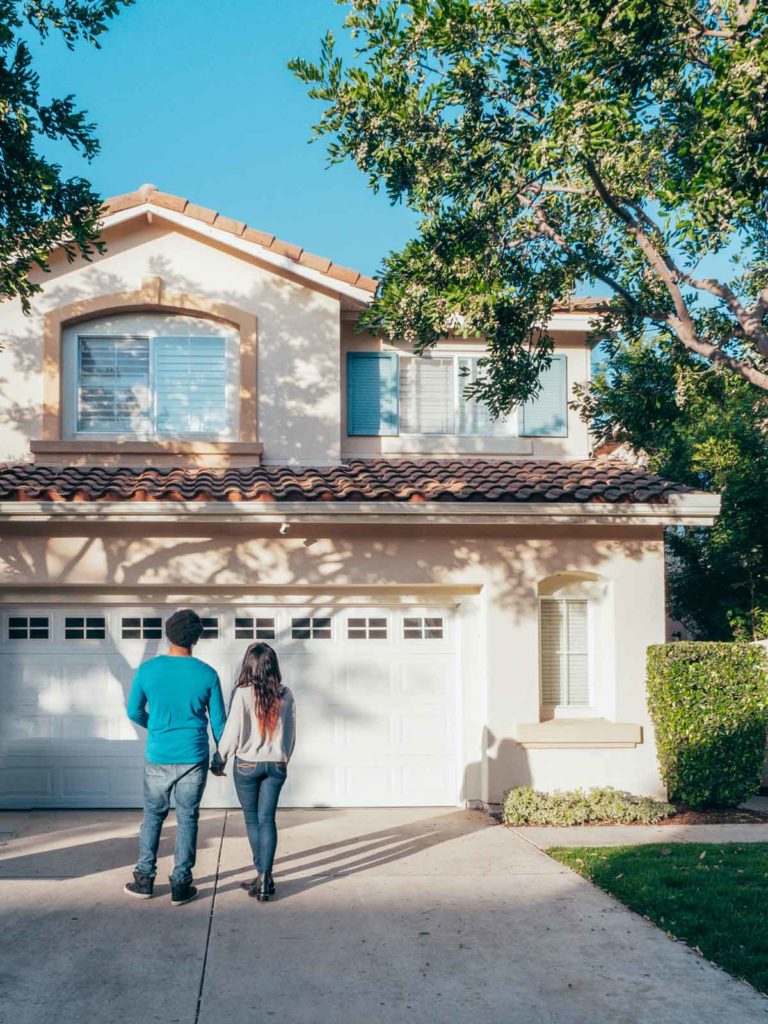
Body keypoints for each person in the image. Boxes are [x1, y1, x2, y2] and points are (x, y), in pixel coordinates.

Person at [124, 608, 226, 906]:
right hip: (193, 757)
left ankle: (144, 879)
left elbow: (133, 711)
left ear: (168, 634)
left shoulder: (148, 670)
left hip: (158, 755)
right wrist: (222, 755)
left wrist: (154, 726)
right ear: (196, 638)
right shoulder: (207, 674)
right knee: (187, 818)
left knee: (153, 816)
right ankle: (181, 884)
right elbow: (220, 723)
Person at [211, 642, 296, 901]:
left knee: (252, 819)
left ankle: (261, 876)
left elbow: (232, 731)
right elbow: (290, 734)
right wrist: (283, 759)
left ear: (249, 665)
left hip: (247, 764)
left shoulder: (244, 693)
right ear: (273, 666)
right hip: (276, 764)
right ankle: (265, 877)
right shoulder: (286, 694)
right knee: (267, 820)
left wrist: (219, 758)